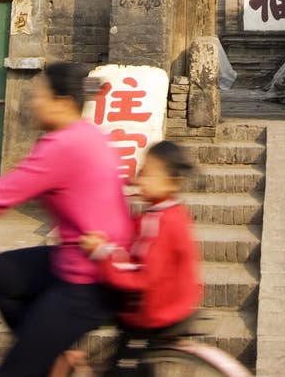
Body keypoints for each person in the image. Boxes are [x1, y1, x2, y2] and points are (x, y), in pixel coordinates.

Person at [0, 61, 133, 377]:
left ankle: (34, 361)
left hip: (89, 279)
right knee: (1, 271)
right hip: (90, 258)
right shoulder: (88, 134)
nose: (32, 103)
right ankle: (49, 355)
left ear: (62, 103)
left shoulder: (62, 146)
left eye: (40, 96)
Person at [79, 140, 203, 375]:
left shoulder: (161, 222)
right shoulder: (166, 212)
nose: (140, 179)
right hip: (170, 304)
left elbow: (143, 275)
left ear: (171, 182)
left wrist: (102, 253)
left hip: (154, 311)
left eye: (149, 174)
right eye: (142, 171)